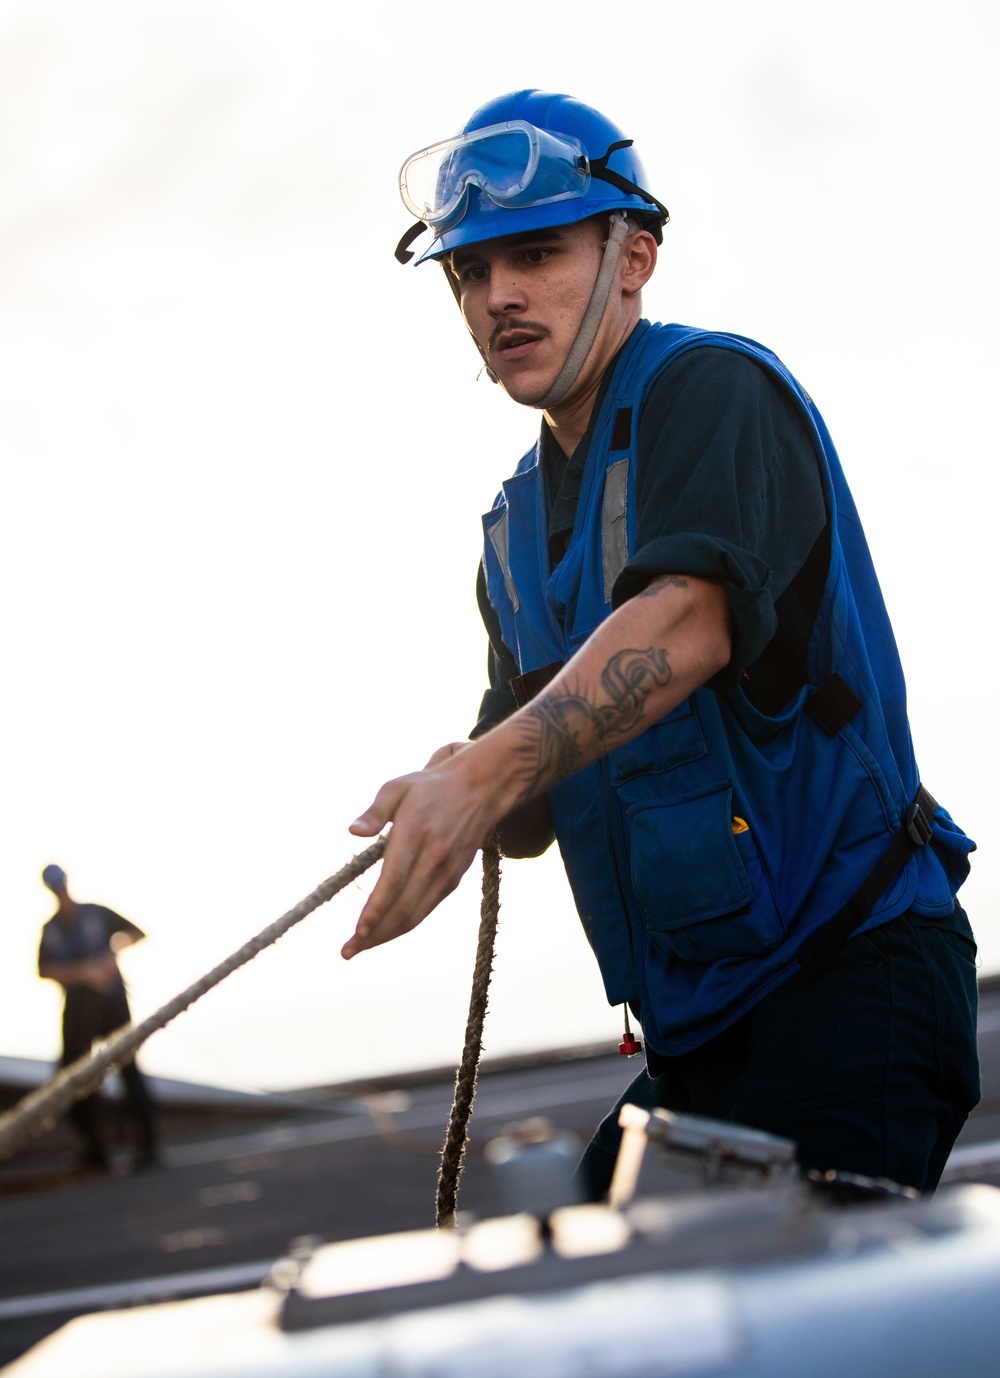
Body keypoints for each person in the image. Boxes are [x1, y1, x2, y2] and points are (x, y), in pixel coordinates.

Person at [344, 90, 979, 1194]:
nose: (499, 296)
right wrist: (454, 790)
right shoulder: (509, 533)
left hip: (846, 977)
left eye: (535, 253)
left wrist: (489, 776)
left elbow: (686, 621)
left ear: (633, 255)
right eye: (470, 272)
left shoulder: (714, 391)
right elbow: (528, 800)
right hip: (695, 1034)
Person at [38, 864, 158, 1171]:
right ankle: (96, 1149)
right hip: (78, 1011)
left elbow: (135, 933)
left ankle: (149, 1149)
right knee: (73, 1076)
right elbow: (44, 969)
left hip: (112, 1003)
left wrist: (111, 954)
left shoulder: (97, 914)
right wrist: (82, 973)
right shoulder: (51, 930)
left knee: (129, 1070)